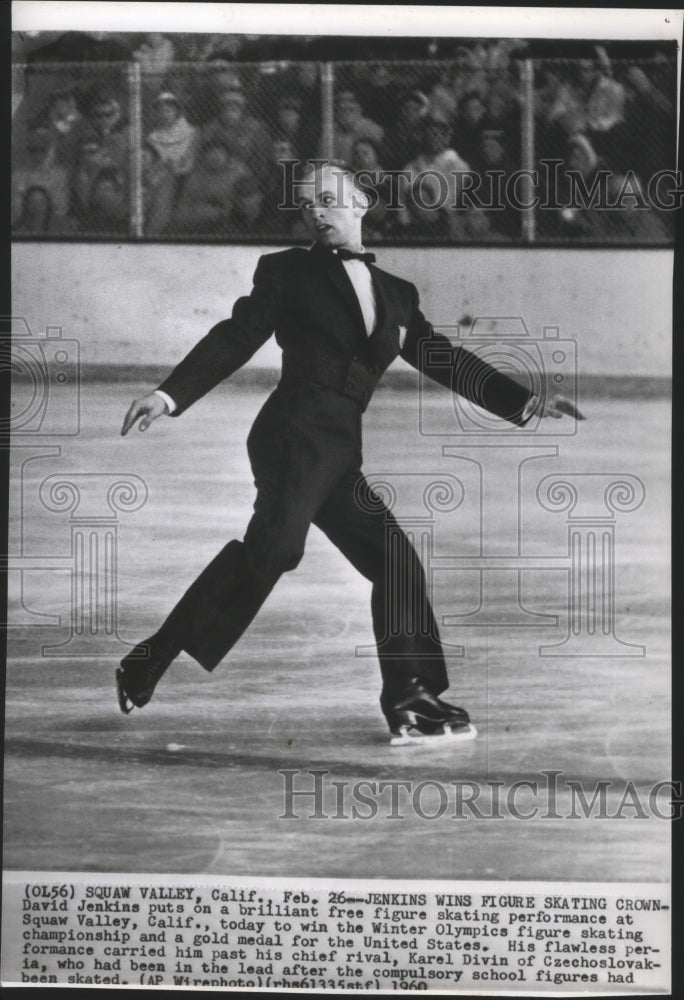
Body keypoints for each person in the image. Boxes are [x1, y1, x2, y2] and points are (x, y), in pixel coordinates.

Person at [118, 161, 583, 743]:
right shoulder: (287, 272)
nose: (316, 210)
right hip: (291, 434)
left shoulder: (397, 294)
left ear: (361, 202)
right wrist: (169, 394)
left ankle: (414, 697)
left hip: (339, 447)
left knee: (392, 560)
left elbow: (444, 360)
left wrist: (525, 401)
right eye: (307, 203)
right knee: (277, 553)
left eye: (329, 199)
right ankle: (156, 653)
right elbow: (236, 335)